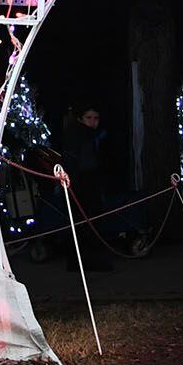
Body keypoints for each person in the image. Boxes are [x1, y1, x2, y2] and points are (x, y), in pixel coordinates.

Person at [58, 105, 113, 271]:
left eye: (95, 118)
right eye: (89, 118)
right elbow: (76, 161)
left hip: (89, 182)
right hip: (81, 183)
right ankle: (82, 261)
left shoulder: (92, 136)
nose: (93, 122)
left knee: (90, 222)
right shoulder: (78, 135)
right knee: (84, 223)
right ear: (81, 119)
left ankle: (83, 260)